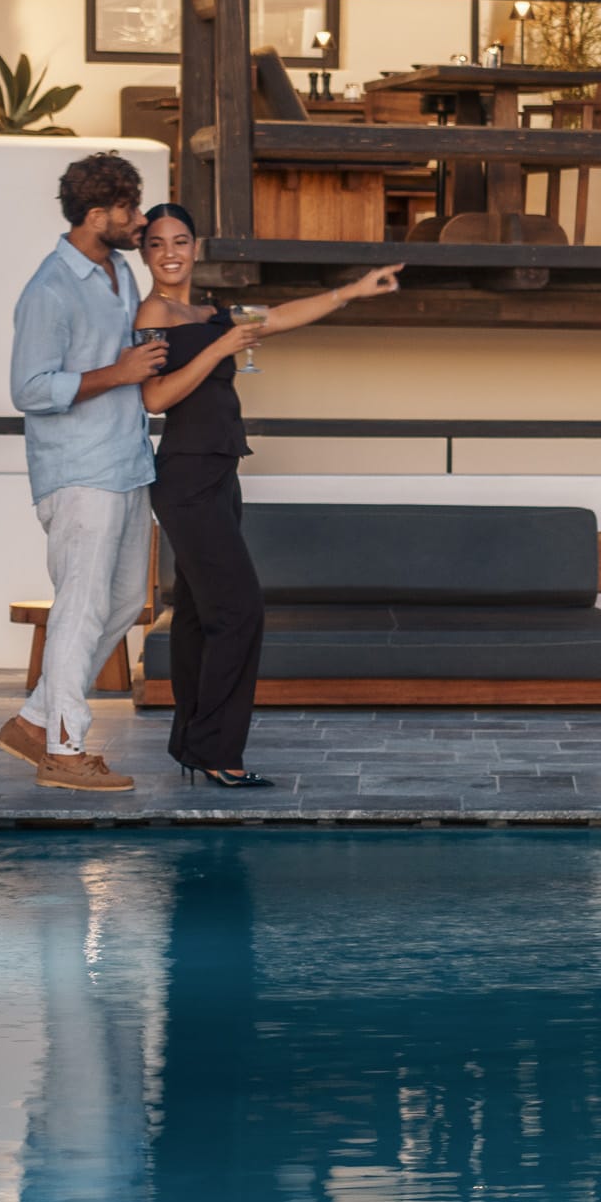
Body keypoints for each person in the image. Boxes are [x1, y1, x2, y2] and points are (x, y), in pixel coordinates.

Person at [133, 206, 399, 788]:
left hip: (221, 474)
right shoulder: (154, 313)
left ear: (196, 247)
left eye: (180, 240)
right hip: (185, 475)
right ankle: (216, 751)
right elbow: (155, 397)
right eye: (157, 244)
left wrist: (353, 290)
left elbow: (278, 317)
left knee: (202, 615)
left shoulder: (211, 312)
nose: (170, 252)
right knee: (239, 610)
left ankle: (191, 742)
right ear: (146, 253)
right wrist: (220, 345)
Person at [4, 151, 165, 791]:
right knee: (82, 604)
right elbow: (30, 387)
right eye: (128, 208)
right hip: (77, 473)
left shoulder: (120, 272)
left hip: (128, 463)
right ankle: (65, 751)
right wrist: (120, 373)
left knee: (124, 602)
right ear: (97, 215)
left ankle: (37, 718)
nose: (139, 218)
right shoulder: (49, 289)